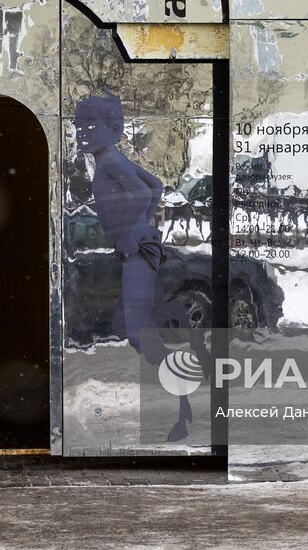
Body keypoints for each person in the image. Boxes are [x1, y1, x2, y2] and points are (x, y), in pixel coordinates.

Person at [74, 94, 209, 441]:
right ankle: (183, 399)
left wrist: (132, 235)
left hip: (136, 254)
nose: (82, 132)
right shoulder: (111, 158)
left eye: (91, 126)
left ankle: (182, 404)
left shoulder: (109, 163)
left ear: (114, 129)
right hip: (138, 251)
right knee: (143, 325)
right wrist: (142, 225)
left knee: (139, 332)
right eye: (78, 126)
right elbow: (155, 186)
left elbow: (138, 191)